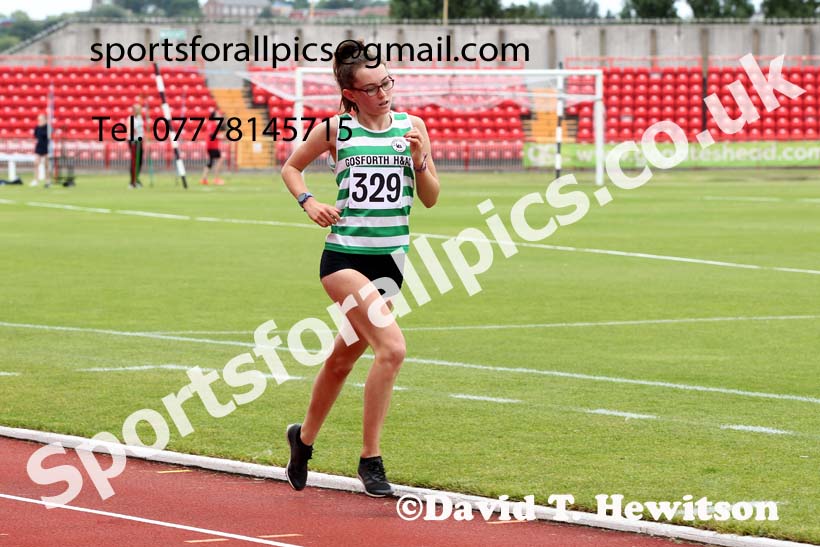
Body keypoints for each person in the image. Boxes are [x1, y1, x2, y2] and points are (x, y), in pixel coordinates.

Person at [280, 40, 440, 497]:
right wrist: (308, 201)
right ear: (351, 93)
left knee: (342, 359)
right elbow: (292, 168)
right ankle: (370, 459)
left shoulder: (414, 127)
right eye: (372, 88)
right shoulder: (336, 130)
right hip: (344, 258)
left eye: (387, 83)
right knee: (392, 349)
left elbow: (429, 197)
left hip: (391, 262)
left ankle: (303, 441)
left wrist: (420, 159)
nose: (384, 93)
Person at [201, 109, 224, 185]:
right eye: (217, 115)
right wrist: (220, 136)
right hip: (212, 145)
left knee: (210, 163)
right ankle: (216, 179)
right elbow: (211, 135)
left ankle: (204, 179)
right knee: (220, 159)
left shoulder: (211, 123)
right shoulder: (213, 124)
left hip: (210, 145)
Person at [127, 104, 145, 188]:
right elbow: (130, 130)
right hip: (134, 141)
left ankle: (137, 178)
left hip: (140, 141)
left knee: (140, 161)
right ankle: (132, 181)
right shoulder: (131, 119)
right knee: (134, 161)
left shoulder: (140, 118)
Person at [30, 113, 50, 187]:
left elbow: (49, 137)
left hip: (46, 148)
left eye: (41, 119)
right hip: (38, 147)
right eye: (39, 119)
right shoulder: (37, 127)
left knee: (46, 165)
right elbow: (35, 136)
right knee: (36, 164)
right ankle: (36, 180)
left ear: (45, 120)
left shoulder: (48, 128)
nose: (40, 121)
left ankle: (47, 180)